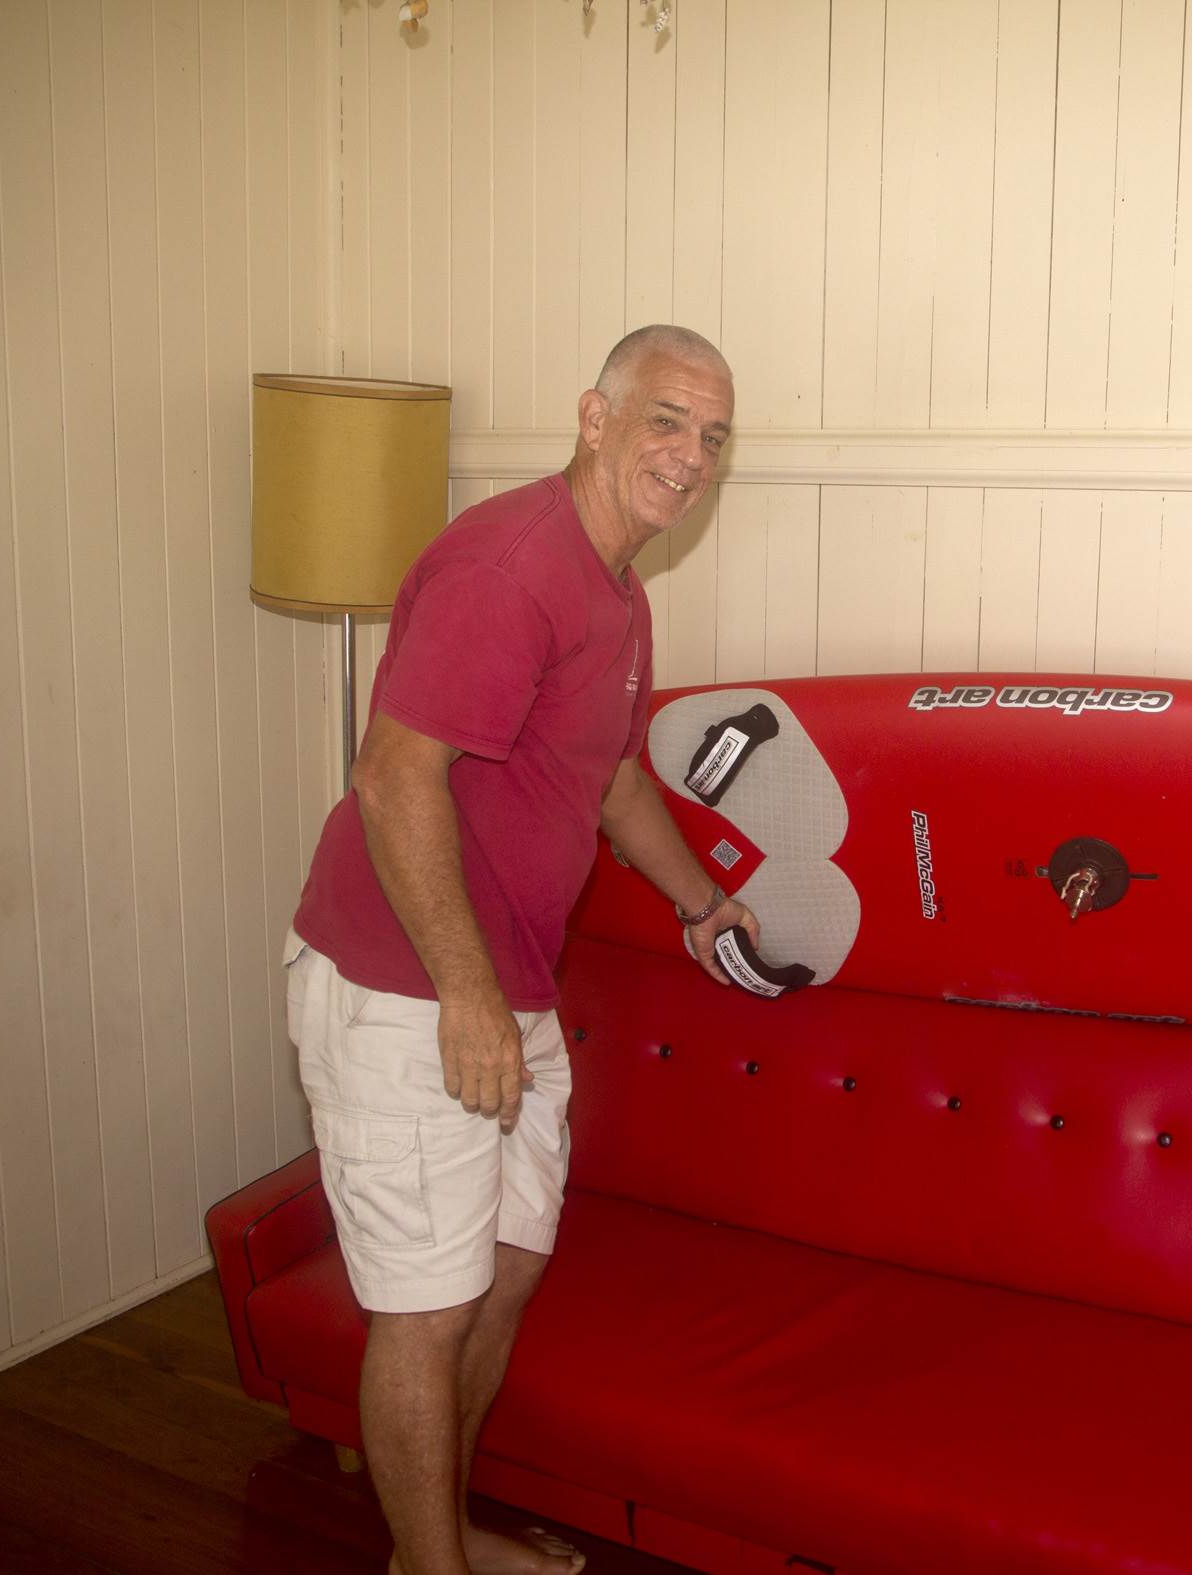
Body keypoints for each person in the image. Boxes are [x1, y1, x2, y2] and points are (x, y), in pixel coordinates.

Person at [282, 325, 755, 1575]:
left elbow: (611, 782)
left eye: (712, 436)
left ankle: (434, 1542)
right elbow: (393, 777)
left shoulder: (618, 590)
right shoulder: (511, 568)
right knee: (426, 1309)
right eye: (666, 419)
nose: (690, 454)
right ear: (595, 418)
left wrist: (703, 903)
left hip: (505, 990)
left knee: (501, 1272)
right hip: (410, 991)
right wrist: (468, 997)